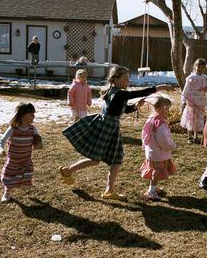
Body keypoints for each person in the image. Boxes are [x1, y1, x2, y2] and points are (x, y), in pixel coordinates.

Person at [59, 65, 172, 200]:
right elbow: (136, 93)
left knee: (117, 159)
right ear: (115, 79)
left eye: (128, 79)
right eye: (125, 79)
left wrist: (136, 106)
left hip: (111, 128)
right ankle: (67, 171)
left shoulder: (115, 91)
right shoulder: (118, 93)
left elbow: (123, 109)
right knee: (96, 160)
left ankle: (109, 190)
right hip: (107, 127)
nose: (127, 81)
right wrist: (159, 88)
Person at [0, 103, 43, 202]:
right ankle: (7, 192)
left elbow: (39, 143)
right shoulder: (13, 129)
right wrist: (0, 149)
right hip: (13, 160)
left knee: (27, 173)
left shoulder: (32, 129)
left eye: (34, 114)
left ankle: (23, 184)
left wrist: (39, 144)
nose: (34, 117)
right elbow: (1, 140)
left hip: (26, 159)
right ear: (23, 114)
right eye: (31, 114)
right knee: (7, 177)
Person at [140, 94, 176, 201]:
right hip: (158, 152)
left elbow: (144, 134)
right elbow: (163, 139)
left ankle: (154, 187)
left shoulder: (152, 119)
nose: (168, 111)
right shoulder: (159, 123)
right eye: (167, 109)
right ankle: (151, 191)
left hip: (152, 150)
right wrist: (172, 146)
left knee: (156, 170)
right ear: (160, 108)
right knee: (157, 171)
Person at [180, 58, 207, 144]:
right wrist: (183, 99)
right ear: (194, 66)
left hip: (200, 101)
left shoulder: (204, 78)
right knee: (191, 118)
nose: (198, 68)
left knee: (198, 118)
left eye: (201, 67)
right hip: (191, 101)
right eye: (197, 66)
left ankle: (196, 136)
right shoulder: (191, 77)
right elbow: (186, 89)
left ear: (204, 68)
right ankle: (189, 136)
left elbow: (204, 88)